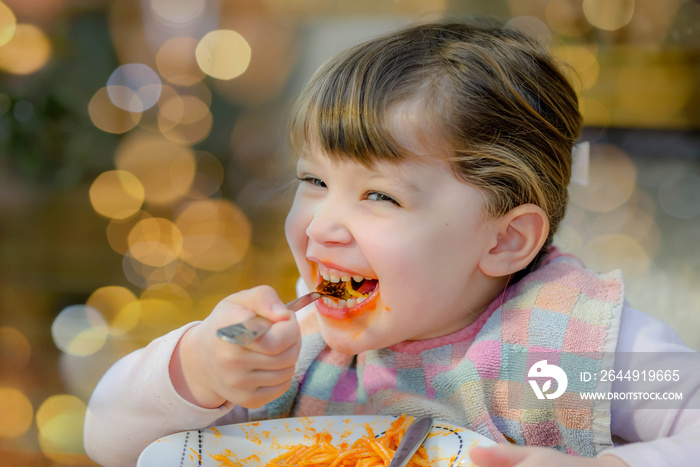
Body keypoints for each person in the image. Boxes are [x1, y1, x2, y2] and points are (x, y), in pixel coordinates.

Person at [84, 18, 700, 467]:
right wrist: (199, 367)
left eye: (380, 196)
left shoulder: (575, 350)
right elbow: (108, 441)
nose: (322, 225)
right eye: (314, 181)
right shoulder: (288, 353)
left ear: (506, 239)